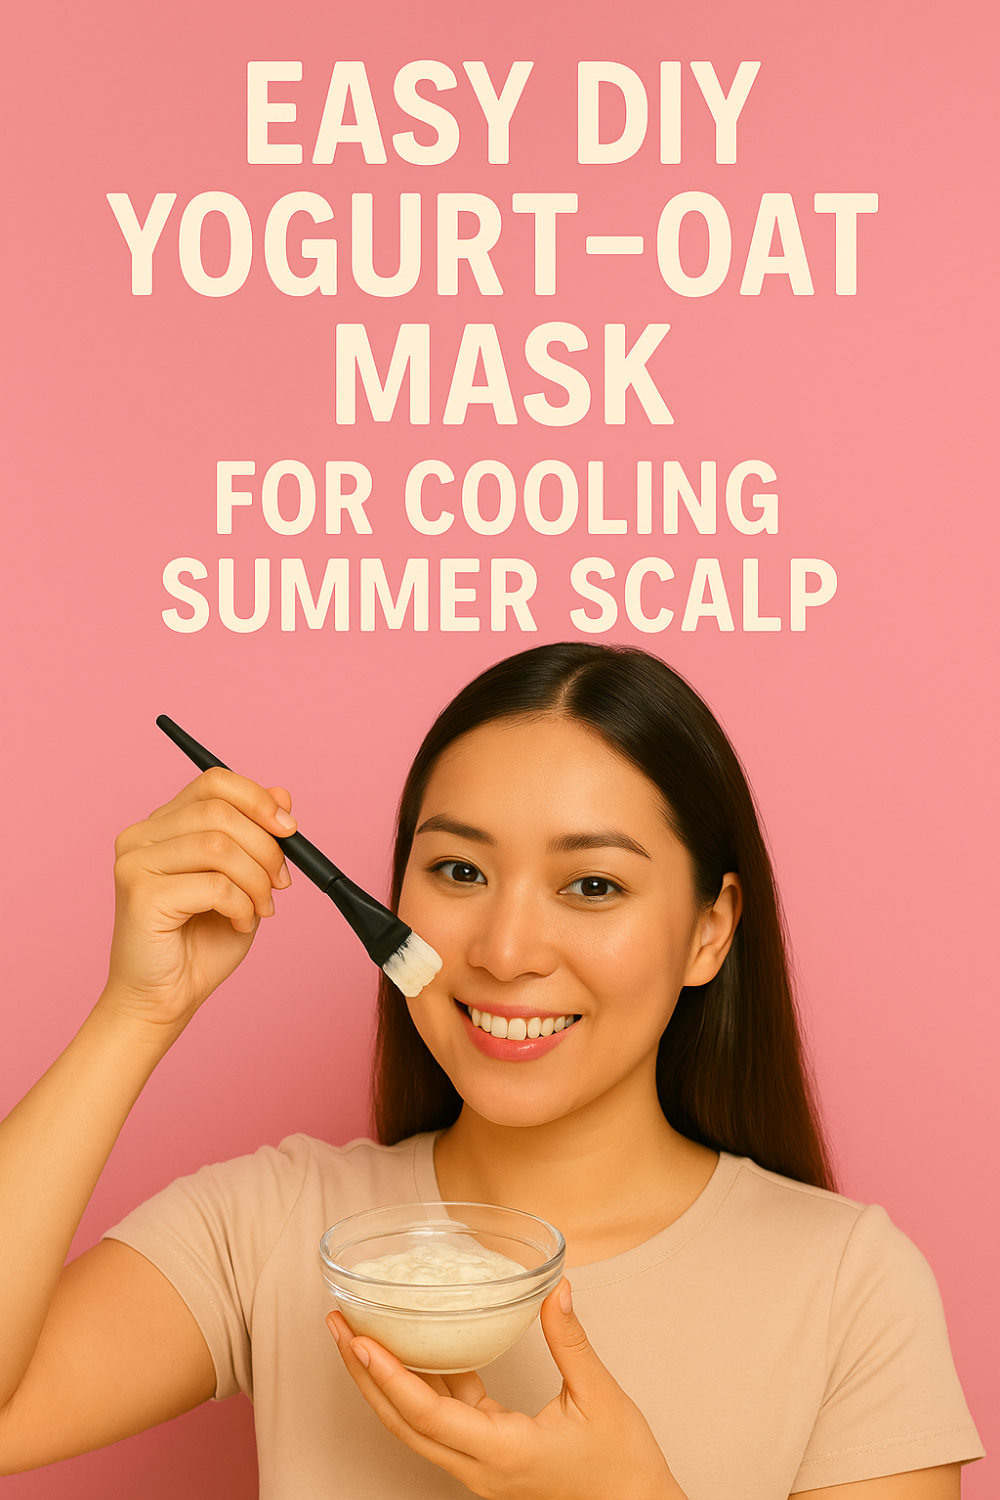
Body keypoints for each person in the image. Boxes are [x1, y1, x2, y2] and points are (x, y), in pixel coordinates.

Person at [0, 643, 983, 1498]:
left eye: (591, 885)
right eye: (459, 873)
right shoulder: (275, 1227)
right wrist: (137, 1009)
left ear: (709, 931)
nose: (506, 950)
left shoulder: (849, 1285)